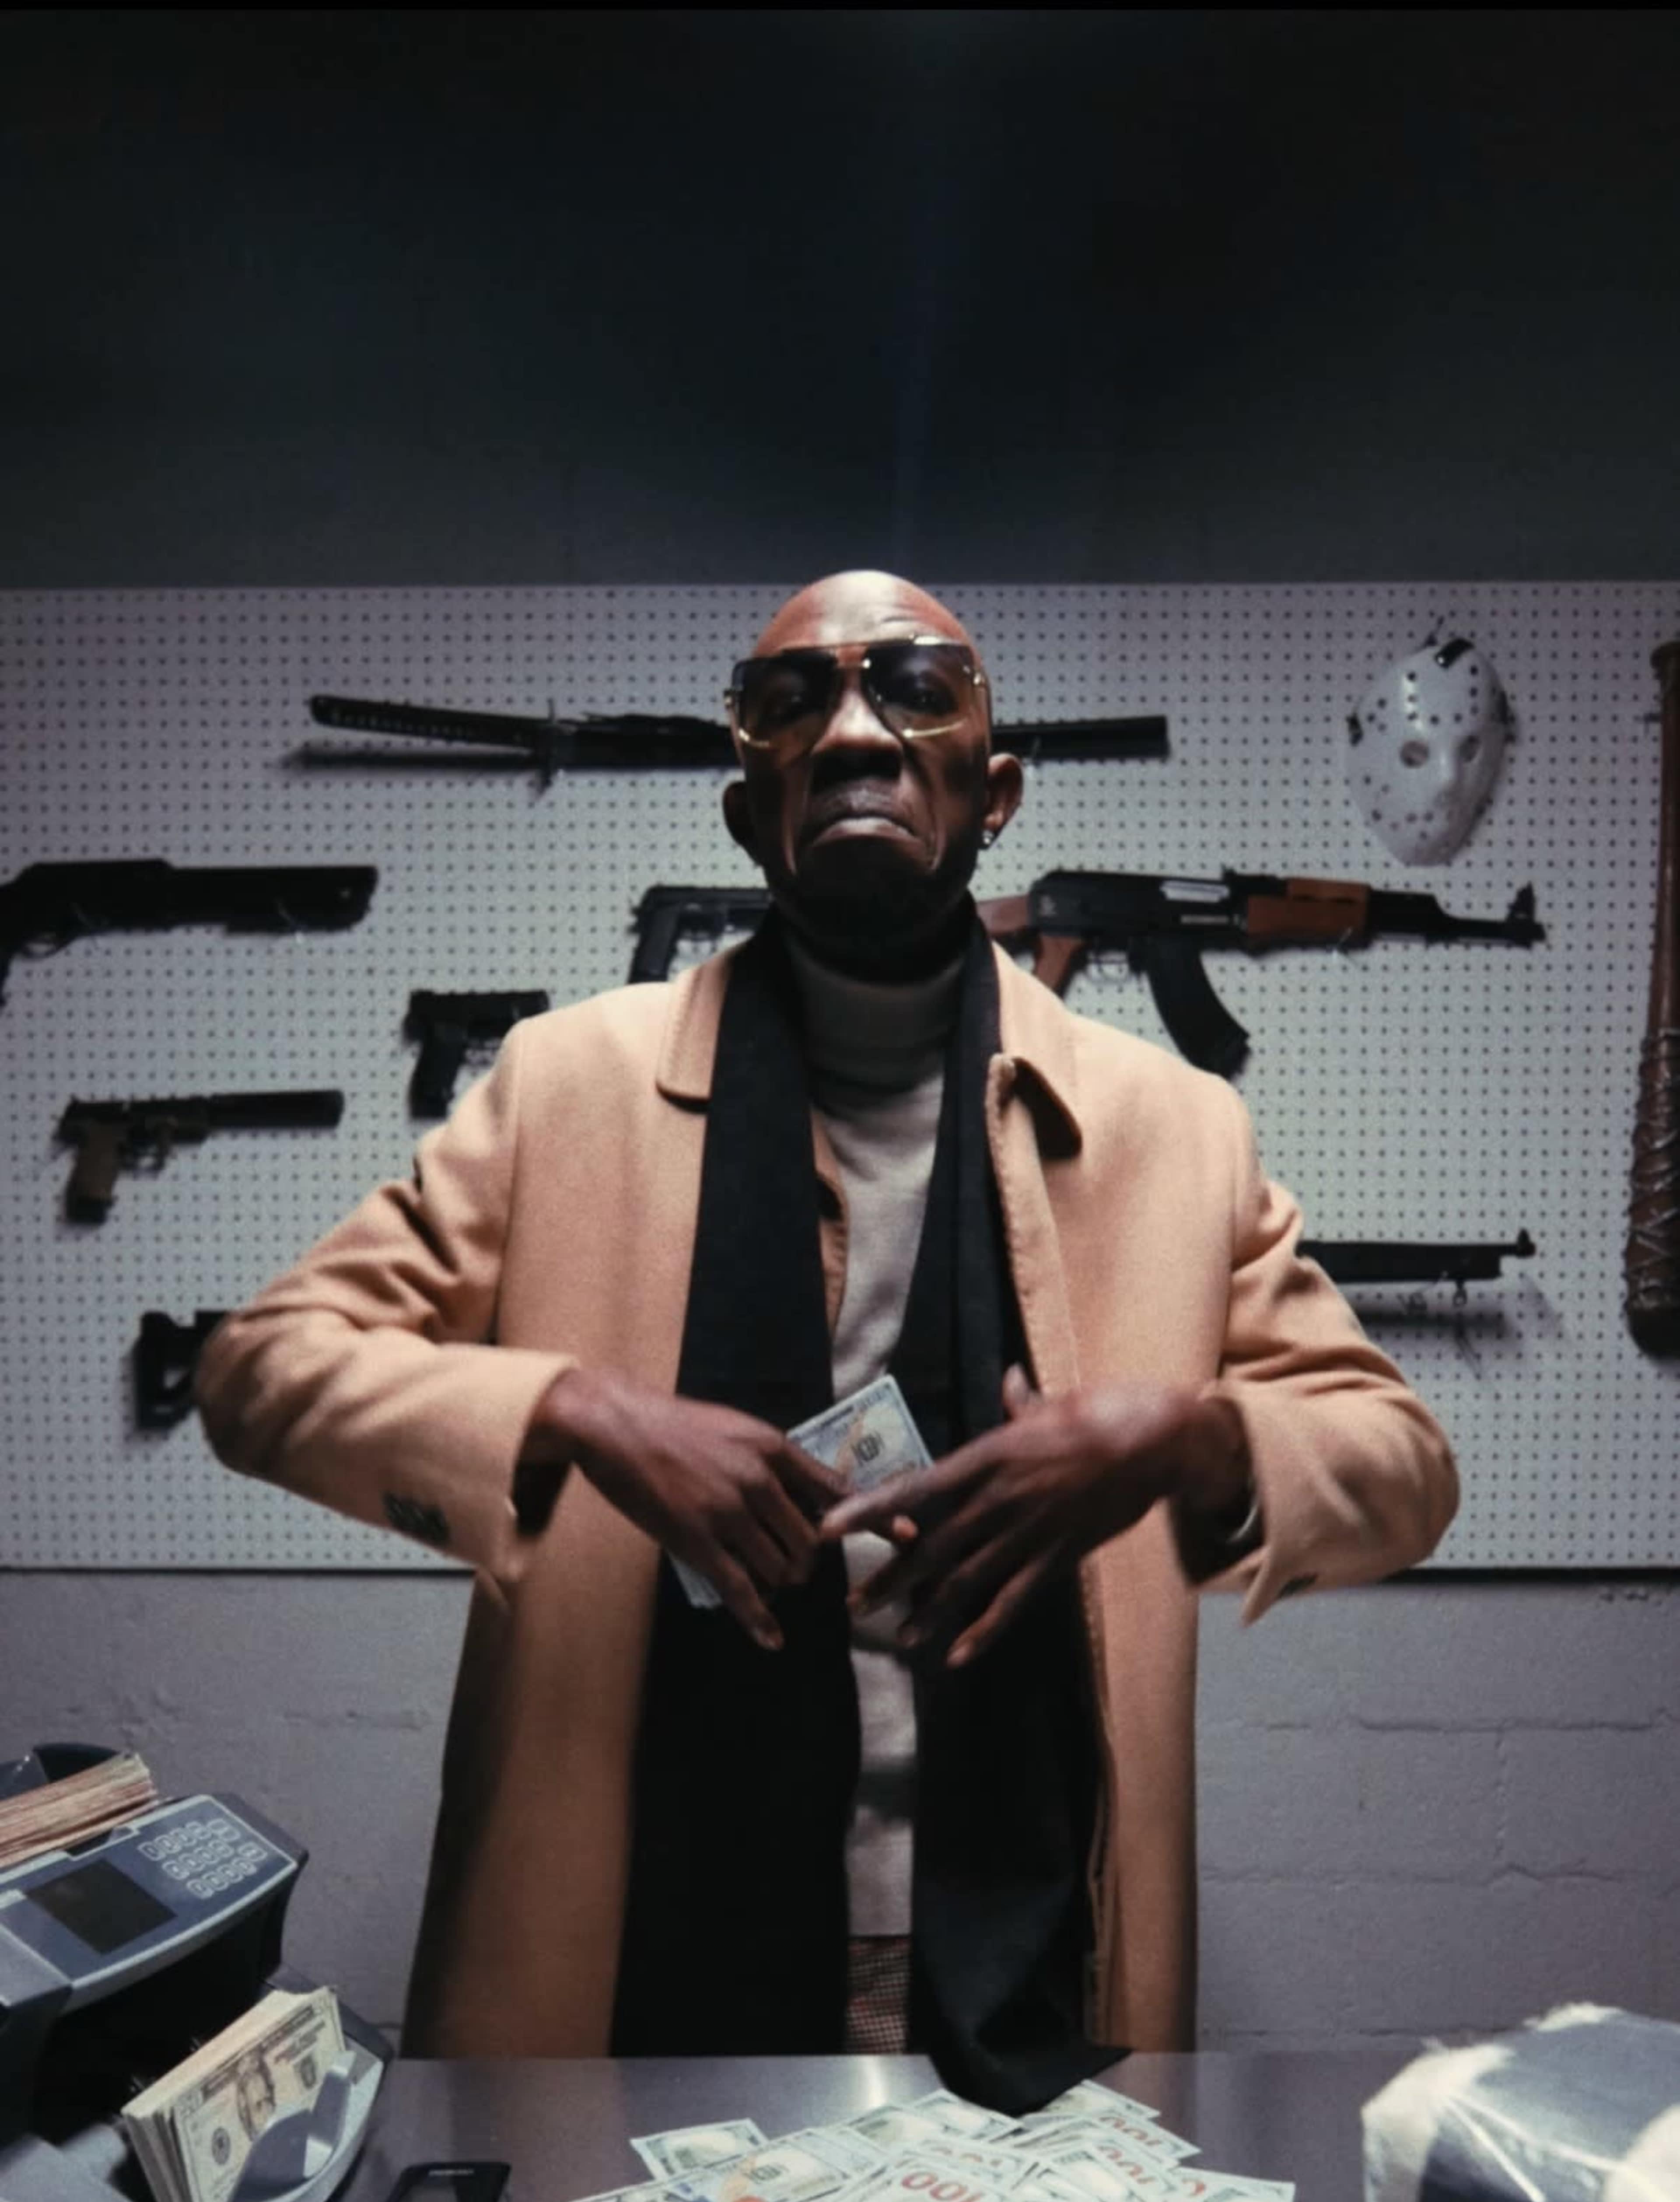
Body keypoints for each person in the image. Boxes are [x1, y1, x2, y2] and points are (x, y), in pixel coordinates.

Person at [197, 571, 1457, 2108]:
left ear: (994, 796)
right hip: (633, 1991)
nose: (856, 731)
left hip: (1037, 1988)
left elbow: (1401, 1462)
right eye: (794, 702)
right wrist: (573, 1410)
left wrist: (1183, 1436)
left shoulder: (1174, 1132)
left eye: (916, 690)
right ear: (750, 811)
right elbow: (260, 1370)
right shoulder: (560, 1091)